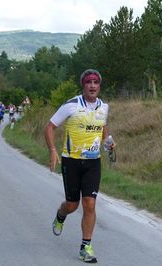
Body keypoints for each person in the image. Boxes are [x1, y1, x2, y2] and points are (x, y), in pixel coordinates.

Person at [44, 69, 114, 263]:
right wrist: (52, 150)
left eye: (96, 83)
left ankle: (86, 246)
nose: (92, 86)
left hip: (93, 163)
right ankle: (60, 214)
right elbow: (49, 127)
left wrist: (107, 142)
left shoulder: (104, 107)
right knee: (72, 205)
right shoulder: (71, 105)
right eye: (89, 82)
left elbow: (102, 127)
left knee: (89, 204)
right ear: (83, 86)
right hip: (71, 161)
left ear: (99, 86)